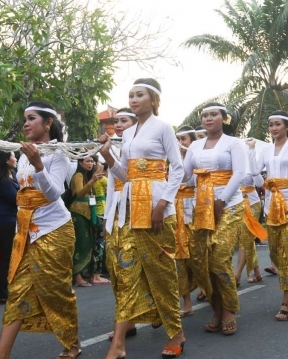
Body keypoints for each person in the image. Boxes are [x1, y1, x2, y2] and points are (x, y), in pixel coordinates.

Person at [98, 78, 185, 359]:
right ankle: (119, 344)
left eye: (140, 95)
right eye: (131, 96)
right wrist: (109, 157)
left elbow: (178, 169)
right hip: (130, 210)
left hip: (156, 208)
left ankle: (176, 334)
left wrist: (163, 204)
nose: (134, 100)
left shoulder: (163, 128)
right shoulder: (130, 133)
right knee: (127, 273)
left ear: (153, 100)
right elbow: (126, 175)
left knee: (162, 273)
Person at [0, 101, 80, 359]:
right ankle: (0, 355)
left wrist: (39, 164)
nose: (26, 124)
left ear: (48, 122)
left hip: (55, 230)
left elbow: (54, 194)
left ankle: (72, 344)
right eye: (25, 119)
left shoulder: (59, 153)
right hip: (26, 232)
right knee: (17, 291)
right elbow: (24, 192)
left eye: (31, 118)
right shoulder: (22, 155)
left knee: (57, 291)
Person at [182, 102, 246, 335]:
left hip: (229, 205)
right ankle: (216, 308)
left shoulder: (233, 143)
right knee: (201, 261)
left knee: (219, 258)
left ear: (224, 118)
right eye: (205, 115)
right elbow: (187, 176)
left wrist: (222, 200)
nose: (208, 119)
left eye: (213, 115)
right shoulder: (194, 146)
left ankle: (229, 310)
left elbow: (239, 174)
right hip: (202, 207)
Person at [247, 110, 288, 320]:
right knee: (275, 252)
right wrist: (250, 151)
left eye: (278, 124)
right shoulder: (265, 150)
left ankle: (286, 302)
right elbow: (255, 174)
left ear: (286, 126)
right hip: (271, 206)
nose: (274, 128)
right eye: (271, 125)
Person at [104, 108, 138, 342]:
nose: (118, 125)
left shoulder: (142, 147)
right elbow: (110, 187)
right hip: (115, 213)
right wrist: (107, 217)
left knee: (130, 270)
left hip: (137, 211)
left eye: (123, 121)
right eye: (116, 121)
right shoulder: (111, 146)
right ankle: (128, 322)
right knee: (115, 270)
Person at [70, 155, 110, 286]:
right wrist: (92, 181)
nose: (91, 164)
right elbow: (80, 193)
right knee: (81, 245)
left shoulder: (88, 176)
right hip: (78, 213)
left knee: (87, 243)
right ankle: (78, 277)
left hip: (88, 213)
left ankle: (83, 275)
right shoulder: (78, 176)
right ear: (80, 163)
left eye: (92, 161)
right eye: (87, 161)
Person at [174, 125, 200, 317]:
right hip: (177, 211)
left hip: (195, 208)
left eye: (184, 139)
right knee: (180, 257)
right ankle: (187, 302)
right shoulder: (171, 161)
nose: (181, 143)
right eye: (178, 139)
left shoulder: (198, 158)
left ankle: (209, 289)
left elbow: (194, 180)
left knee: (198, 255)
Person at [0, 150, 19, 304]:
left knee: (9, 254)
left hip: (10, 217)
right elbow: (16, 198)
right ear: (7, 160)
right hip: (5, 219)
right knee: (6, 255)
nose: (16, 159)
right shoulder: (3, 180)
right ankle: (2, 291)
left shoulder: (11, 175)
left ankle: (8, 288)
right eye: (14, 156)